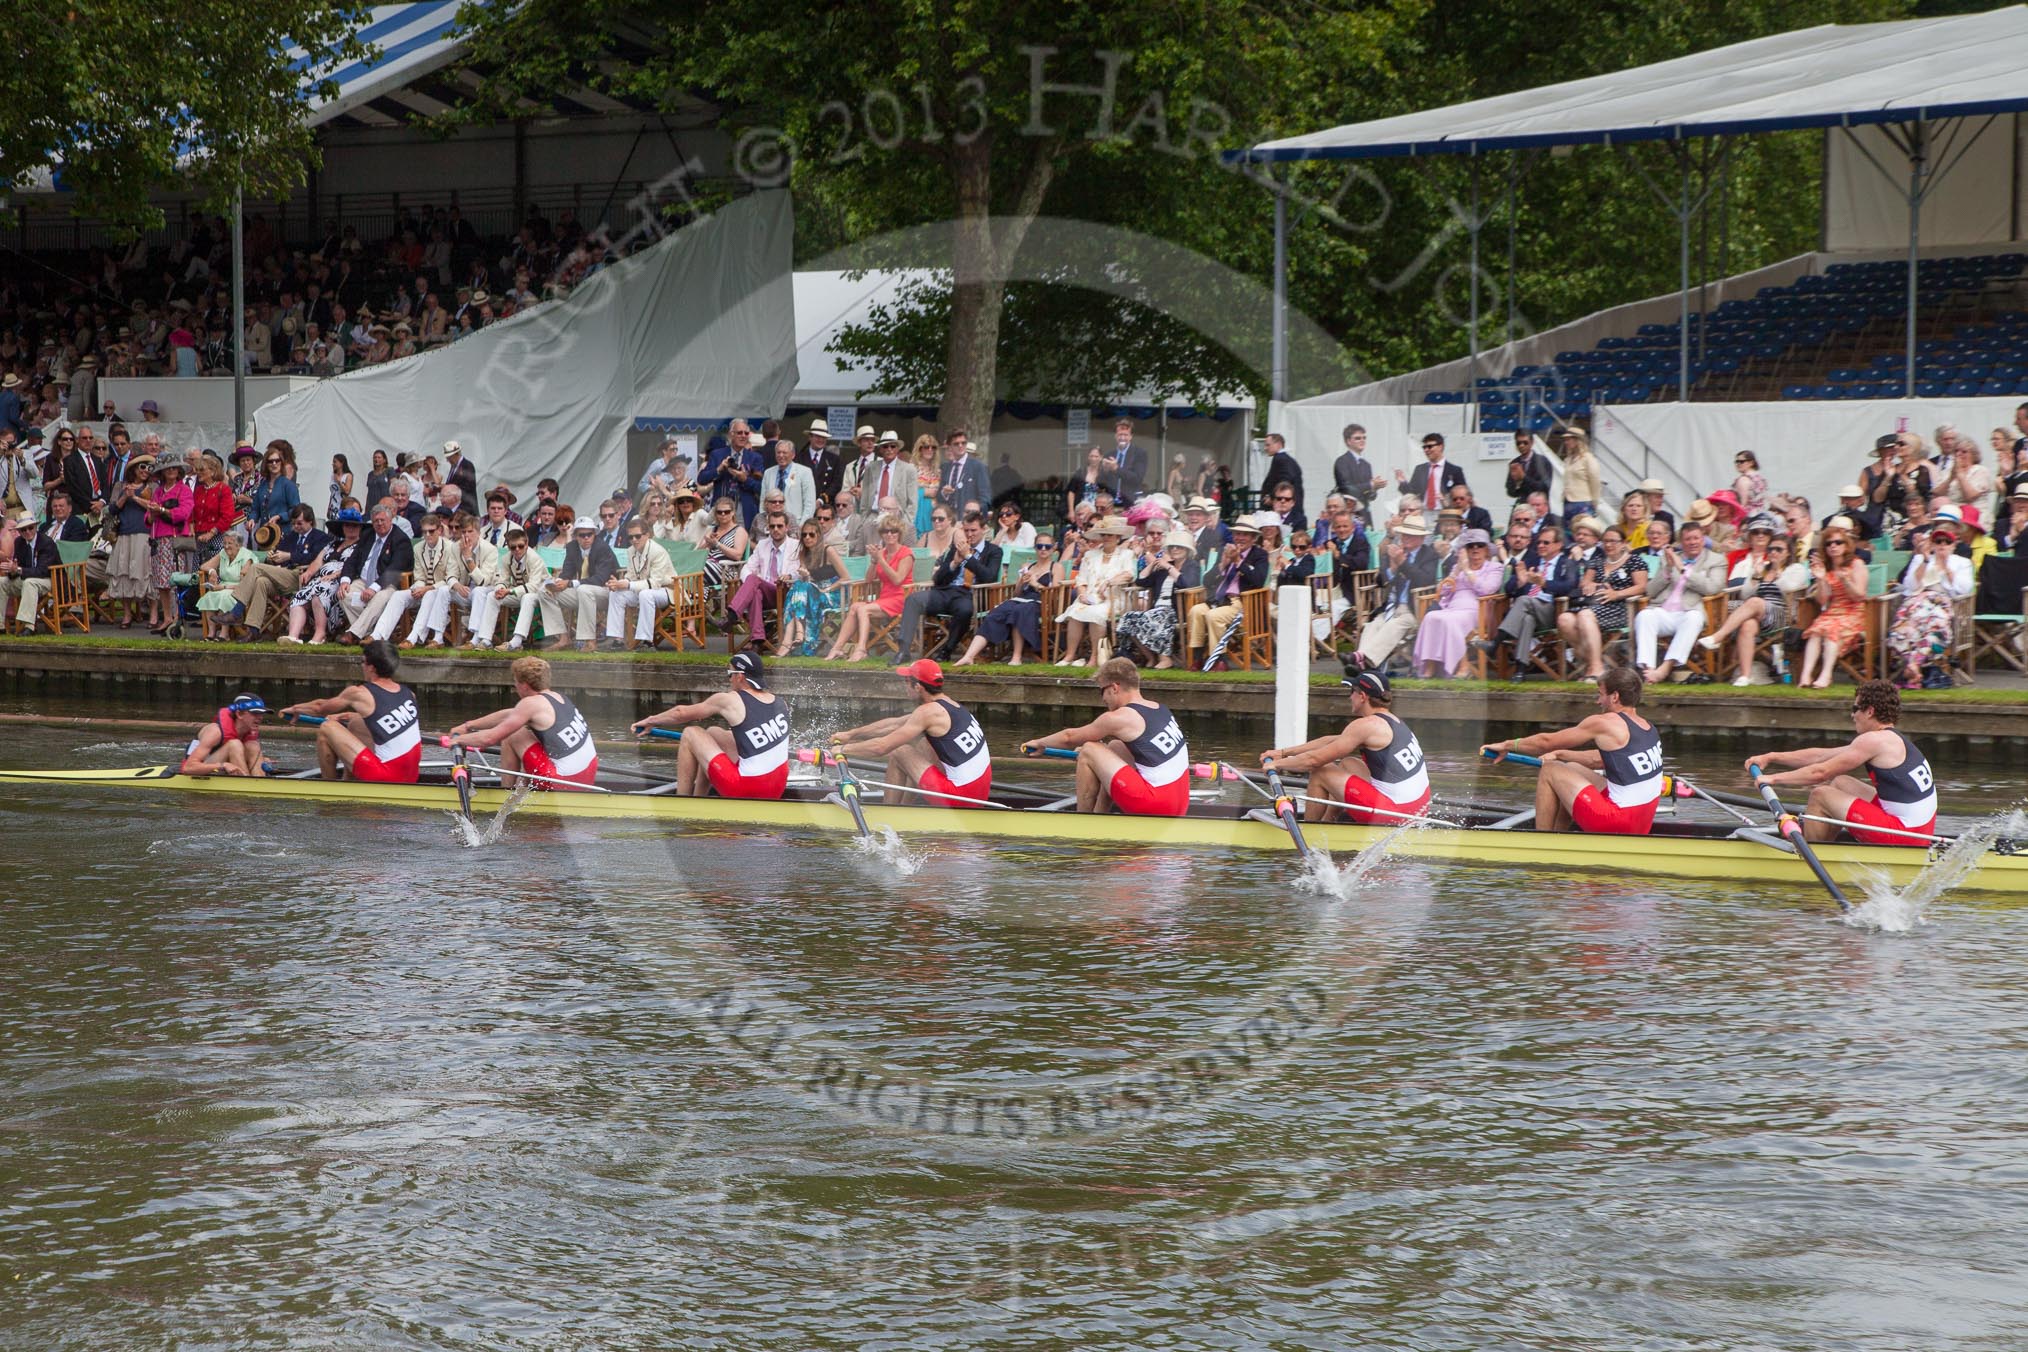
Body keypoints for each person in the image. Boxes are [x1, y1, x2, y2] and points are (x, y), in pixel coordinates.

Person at [1746, 680, 1935, 846]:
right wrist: (1771, 757)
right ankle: (1822, 837)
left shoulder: (1873, 741)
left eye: (1855, 709)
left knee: (1820, 794)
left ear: (1870, 711)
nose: (1853, 715)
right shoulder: (1889, 739)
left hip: (1906, 836)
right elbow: (1821, 756)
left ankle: (1811, 850)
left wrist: (1772, 779)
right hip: (1916, 831)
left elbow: (1820, 773)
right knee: (1841, 782)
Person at [1482, 666, 1663, 835]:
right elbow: (1598, 760)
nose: (1598, 700)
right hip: (1641, 824)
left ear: (1614, 696)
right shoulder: (1648, 728)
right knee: (1572, 768)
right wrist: (1561, 754)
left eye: (1600, 694)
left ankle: (1540, 843)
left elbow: (1546, 742)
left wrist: (1506, 745)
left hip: (1616, 822)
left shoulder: (1605, 722)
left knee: (1550, 770)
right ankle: (1560, 834)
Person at [1021, 656, 1190, 816]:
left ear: (1114, 688)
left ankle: (1083, 821)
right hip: (1179, 805)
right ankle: (1100, 814)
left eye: (1101, 691)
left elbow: (1069, 737)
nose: (1102, 699)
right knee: (1115, 747)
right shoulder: (1160, 708)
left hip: (1155, 804)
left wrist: (1040, 743)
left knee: (1088, 750)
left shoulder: (1119, 718)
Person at [1261, 670, 1429, 825]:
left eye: (1352, 692)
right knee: (1349, 764)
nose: (1350, 698)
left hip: (1397, 814)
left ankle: (1308, 831)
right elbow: (1329, 741)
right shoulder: (1392, 722)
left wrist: (1275, 765)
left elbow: (1313, 761)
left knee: (1321, 770)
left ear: (1362, 696)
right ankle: (1328, 822)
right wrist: (1283, 753)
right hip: (1417, 810)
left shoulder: (1366, 725)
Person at [832, 659, 993, 805]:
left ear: (918, 687)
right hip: (978, 794)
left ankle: (889, 813)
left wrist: (843, 749)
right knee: (925, 744)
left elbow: (881, 747)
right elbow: (895, 724)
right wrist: (851, 735)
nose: (905, 686)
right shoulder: (949, 706)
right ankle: (904, 807)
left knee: (899, 751)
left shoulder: (928, 712)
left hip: (960, 797)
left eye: (907, 681)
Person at [634, 650, 790, 799]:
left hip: (745, 788)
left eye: (730, 675)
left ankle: (682, 801)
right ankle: (700, 797)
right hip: (776, 789)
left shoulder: (730, 699)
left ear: (740, 677)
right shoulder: (780, 703)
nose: (729, 680)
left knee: (690, 733)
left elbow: (680, 713)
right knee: (714, 733)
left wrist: (650, 721)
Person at [276, 641, 424, 783]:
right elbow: (381, 715)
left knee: (327, 728)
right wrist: (348, 715)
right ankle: (351, 780)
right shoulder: (409, 694)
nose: (362, 666)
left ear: (371, 667)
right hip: (411, 776)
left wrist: (296, 709)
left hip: (385, 776)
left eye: (362, 662)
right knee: (356, 723)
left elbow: (320, 708)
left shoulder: (359, 693)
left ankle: (329, 790)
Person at [449, 655, 600, 789]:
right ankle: (521, 787)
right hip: (587, 775)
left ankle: (505, 793)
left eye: (515, 682)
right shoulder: (556, 697)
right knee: (519, 729)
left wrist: (457, 740)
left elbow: (490, 738)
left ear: (525, 686)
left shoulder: (530, 704)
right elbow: (510, 715)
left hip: (565, 781)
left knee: (511, 735)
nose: (515, 686)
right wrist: (468, 726)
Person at [1698, 525, 1803, 686]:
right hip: (1760, 617)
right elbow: (1745, 593)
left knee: (1755, 602)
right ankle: (1745, 676)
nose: (1774, 552)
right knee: (1747, 624)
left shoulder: (1795, 569)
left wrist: (1774, 573)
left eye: (1779, 549)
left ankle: (1719, 636)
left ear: (1788, 552)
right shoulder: (1763, 568)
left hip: (1784, 618)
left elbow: (1788, 586)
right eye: (1771, 549)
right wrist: (1755, 575)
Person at [898, 509, 999, 663]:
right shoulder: (955, 547)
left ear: (984, 530)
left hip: (971, 594)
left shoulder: (994, 551)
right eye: (966, 530)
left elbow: (989, 576)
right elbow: (938, 579)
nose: (969, 534)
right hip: (946, 591)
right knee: (913, 600)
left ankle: (946, 650)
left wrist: (968, 557)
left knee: (964, 610)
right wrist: (954, 562)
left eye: (974, 530)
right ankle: (903, 651)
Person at [955, 530, 1066, 666]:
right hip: (1021, 599)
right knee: (996, 613)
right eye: (1039, 546)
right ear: (1035, 548)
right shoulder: (1027, 566)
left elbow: (1054, 594)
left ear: (1054, 548)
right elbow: (1017, 594)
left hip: (1041, 603)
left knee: (1019, 611)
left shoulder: (1057, 567)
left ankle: (1016, 656)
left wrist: (1035, 584)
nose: (1043, 549)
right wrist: (1021, 582)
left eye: (1047, 547)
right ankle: (969, 656)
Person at [1633, 520, 1725, 683]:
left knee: (1693, 618)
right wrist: (1668, 569)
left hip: (1690, 612)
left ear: (1703, 539)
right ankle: (1648, 670)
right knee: (1644, 615)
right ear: (1681, 542)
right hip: (1664, 611)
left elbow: (1713, 588)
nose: (1692, 542)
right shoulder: (1669, 558)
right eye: (1688, 539)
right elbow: (1650, 591)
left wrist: (1683, 569)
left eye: (1696, 538)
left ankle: (1665, 668)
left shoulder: (1716, 560)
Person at [1886, 520, 1973, 688]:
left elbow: (1964, 589)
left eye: (1947, 542)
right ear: (1932, 543)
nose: (1942, 545)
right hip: (1918, 601)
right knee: (1901, 630)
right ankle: (1915, 669)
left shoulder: (1962, 562)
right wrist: (1926, 561)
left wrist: (1947, 568)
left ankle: (1913, 668)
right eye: (1938, 541)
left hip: (1942, 602)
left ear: (1953, 545)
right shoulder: (1921, 559)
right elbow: (1910, 585)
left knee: (1936, 627)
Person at [1554, 525, 1647, 683]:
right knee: (1564, 619)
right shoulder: (1597, 561)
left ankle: (1596, 668)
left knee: (1584, 615)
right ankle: (1596, 662)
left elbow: (1642, 586)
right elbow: (1584, 582)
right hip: (1594, 606)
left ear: (1624, 543)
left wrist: (1617, 594)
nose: (1609, 545)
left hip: (1620, 608)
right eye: (1605, 541)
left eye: (1613, 541)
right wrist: (1591, 585)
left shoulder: (1635, 561)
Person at [1352, 514, 1438, 672]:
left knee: (1395, 625)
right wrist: (1392, 568)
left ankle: (1365, 662)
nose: (1406, 538)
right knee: (1373, 625)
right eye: (1405, 534)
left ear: (1420, 539)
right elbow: (1380, 581)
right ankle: (1361, 662)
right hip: (1391, 605)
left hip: (1414, 608)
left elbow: (1425, 581)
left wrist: (1403, 563)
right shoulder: (1393, 551)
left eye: (1411, 535)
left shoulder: (1429, 555)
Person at [1413, 528, 1500, 676]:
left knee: (1452, 621)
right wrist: (1457, 570)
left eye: (1479, 545)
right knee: (1430, 617)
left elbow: (1487, 589)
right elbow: (1444, 592)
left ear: (1486, 549)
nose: (1475, 549)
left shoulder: (1494, 568)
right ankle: (1430, 666)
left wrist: (1467, 571)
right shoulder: (1458, 567)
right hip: (1453, 608)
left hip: (1478, 610)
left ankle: (1463, 667)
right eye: (1470, 546)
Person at [827, 516, 915, 662]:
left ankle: (861, 649)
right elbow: (868, 580)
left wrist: (880, 559)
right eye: (886, 531)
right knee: (855, 607)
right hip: (884, 598)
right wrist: (874, 561)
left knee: (863, 609)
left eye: (894, 531)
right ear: (881, 534)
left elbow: (898, 579)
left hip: (902, 599)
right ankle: (836, 648)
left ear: (899, 534)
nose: (890, 534)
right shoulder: (883, 553)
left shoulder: (906, 553)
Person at [1056, 517, 1137, 667]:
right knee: (1075, 611)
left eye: (1110, 535)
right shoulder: (1090, 555)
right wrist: (1082, 595)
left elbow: (1130, 574)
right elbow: (1081, 580)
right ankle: (1070, 655)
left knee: (1096, 614)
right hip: (1090, 597)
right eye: (1104, 535)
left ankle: (1094, 656)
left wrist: (1109, 582)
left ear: (1118, 537)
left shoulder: (1127, 554)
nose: (1106, 538)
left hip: (1114, 598)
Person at [1797, 521, 1869, 688]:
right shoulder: (1826, 569)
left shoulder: (1856, 564)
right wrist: (1821, 579)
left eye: (1838, 542)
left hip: (1854, 613)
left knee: (1831, 631)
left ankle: (1826, 675)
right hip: (1833, 612)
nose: (1833, 546)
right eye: (1829, 544)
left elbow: (1859, 596)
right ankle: (1805, 676)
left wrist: (1845, 580)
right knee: (1815, 632)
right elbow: (1823, 600)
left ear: (1846, 545)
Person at [1115, 530, 1200, 669]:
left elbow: (1187, 584)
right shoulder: (1163, 568)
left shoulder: (1191, 566)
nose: (1175, 549)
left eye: (1179, 546)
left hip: (1177, 610)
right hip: (1156, 609)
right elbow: (1141, 581)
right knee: (1128, 618)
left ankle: (1165, 658)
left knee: (1160, 616)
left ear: (1187, 550)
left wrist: (1169, 567)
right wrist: (1153, 564)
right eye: (1172, 546)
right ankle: (1151, 657)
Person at [338, 503, 417, 643]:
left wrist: (374, 588)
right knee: (344, 594)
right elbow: (352, 560)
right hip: (363, 581)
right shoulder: (367, 535)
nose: (379, 524)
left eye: (382, 520)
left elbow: (395, 569)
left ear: (390, 519)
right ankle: (371, 633)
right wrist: (345, 581)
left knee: (379, 598)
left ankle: (354, 634)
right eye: (376, 521)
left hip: (388, 583)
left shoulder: (400, 539)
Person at [541, 517, 619, 651]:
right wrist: (557, 583)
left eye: (590, 534)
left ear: (595, 535)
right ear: (576, 536)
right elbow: (567, 572)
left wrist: (570, 583)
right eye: (582, 535)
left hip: (608, 593)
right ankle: (563, 638)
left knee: (584, 589)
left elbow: (600, 579)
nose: (587, 538)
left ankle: (589, 641)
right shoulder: (572, 547)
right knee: (544, 592)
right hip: (583, 593)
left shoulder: (602, 548)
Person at [469, 526, 550, 650]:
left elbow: (534, 586)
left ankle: (516, 642)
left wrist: (510, 591)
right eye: (513, 547)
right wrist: (500, 589)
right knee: (492, 596)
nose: (517, 550)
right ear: (508, 547)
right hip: (520, 591)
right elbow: (503, 580)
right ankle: (485, 639)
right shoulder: (507, 558)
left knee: (528, 598)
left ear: (527, 544)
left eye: (520, 546)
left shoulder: (534, 558)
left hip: (542, 593)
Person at [778, 518, 849, 656]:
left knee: (799, 588)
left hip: (834, 593)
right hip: (813, 592)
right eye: (804, 535)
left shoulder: (828, 551)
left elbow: (846, 578)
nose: (807, 538)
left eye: (811, 534)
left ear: (819, 535)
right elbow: (808, 583)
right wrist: (805, 576)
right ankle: (795, 637)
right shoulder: (803, 554)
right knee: (799, 584)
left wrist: (826, 590)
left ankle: (790, 641)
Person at [179, 693, 269, 777]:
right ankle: (247, 783)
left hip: (220, 765)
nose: (260, 718)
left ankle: (259, 781)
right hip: (197, 770)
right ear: (239, 714)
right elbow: (188, 768)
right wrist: (222, 765)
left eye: (261, 714)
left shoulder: (249, 732)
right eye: (255, 713)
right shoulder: (215, 732)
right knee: (234, 745)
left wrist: (259, 760)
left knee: (253, 745)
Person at [0, 510, 58, 631]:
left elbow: (42, 571)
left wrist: (19, 570)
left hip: (49, 580)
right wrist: (12, 570)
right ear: (19, 531)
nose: (27, 532)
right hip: (27, 579)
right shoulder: (19, 542)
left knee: (29, 583)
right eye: (23, 529)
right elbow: (17, 569)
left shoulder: (46, 542)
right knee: (1, 582)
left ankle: (28, 626)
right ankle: (0, 625)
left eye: (30, 528)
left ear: (36, 527)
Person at [1399, 433, 1465, 514]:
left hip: (1445, 512)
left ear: (1440, 447)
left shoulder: (1455, 470)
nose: (1426, 450)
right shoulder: (1420, 469)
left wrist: (1447, 500)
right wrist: (1402, 482)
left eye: (1430, 446)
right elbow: (1412, 495)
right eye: (1424, 447)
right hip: (1422, 513)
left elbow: (1462, 494)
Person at [1333, 424, 1377, 508]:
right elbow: (1346, 488)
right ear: (1348, 441)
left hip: (1364, 512)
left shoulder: (1366, 465)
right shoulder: (1342, 461)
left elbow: (1371, 497)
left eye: (1364, 438)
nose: (1362, 440)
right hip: (1346, 510)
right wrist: (1370, 485)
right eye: (1358, 438)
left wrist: (1374, 488)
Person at [1260, 431, 1303, 515]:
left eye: (1268, 445)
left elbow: (1285, 481)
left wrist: (1272, 497)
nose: (1265, 448)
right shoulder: (1286, 459)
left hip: (1284, 509)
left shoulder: (1280, 459)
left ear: (1279, 444)